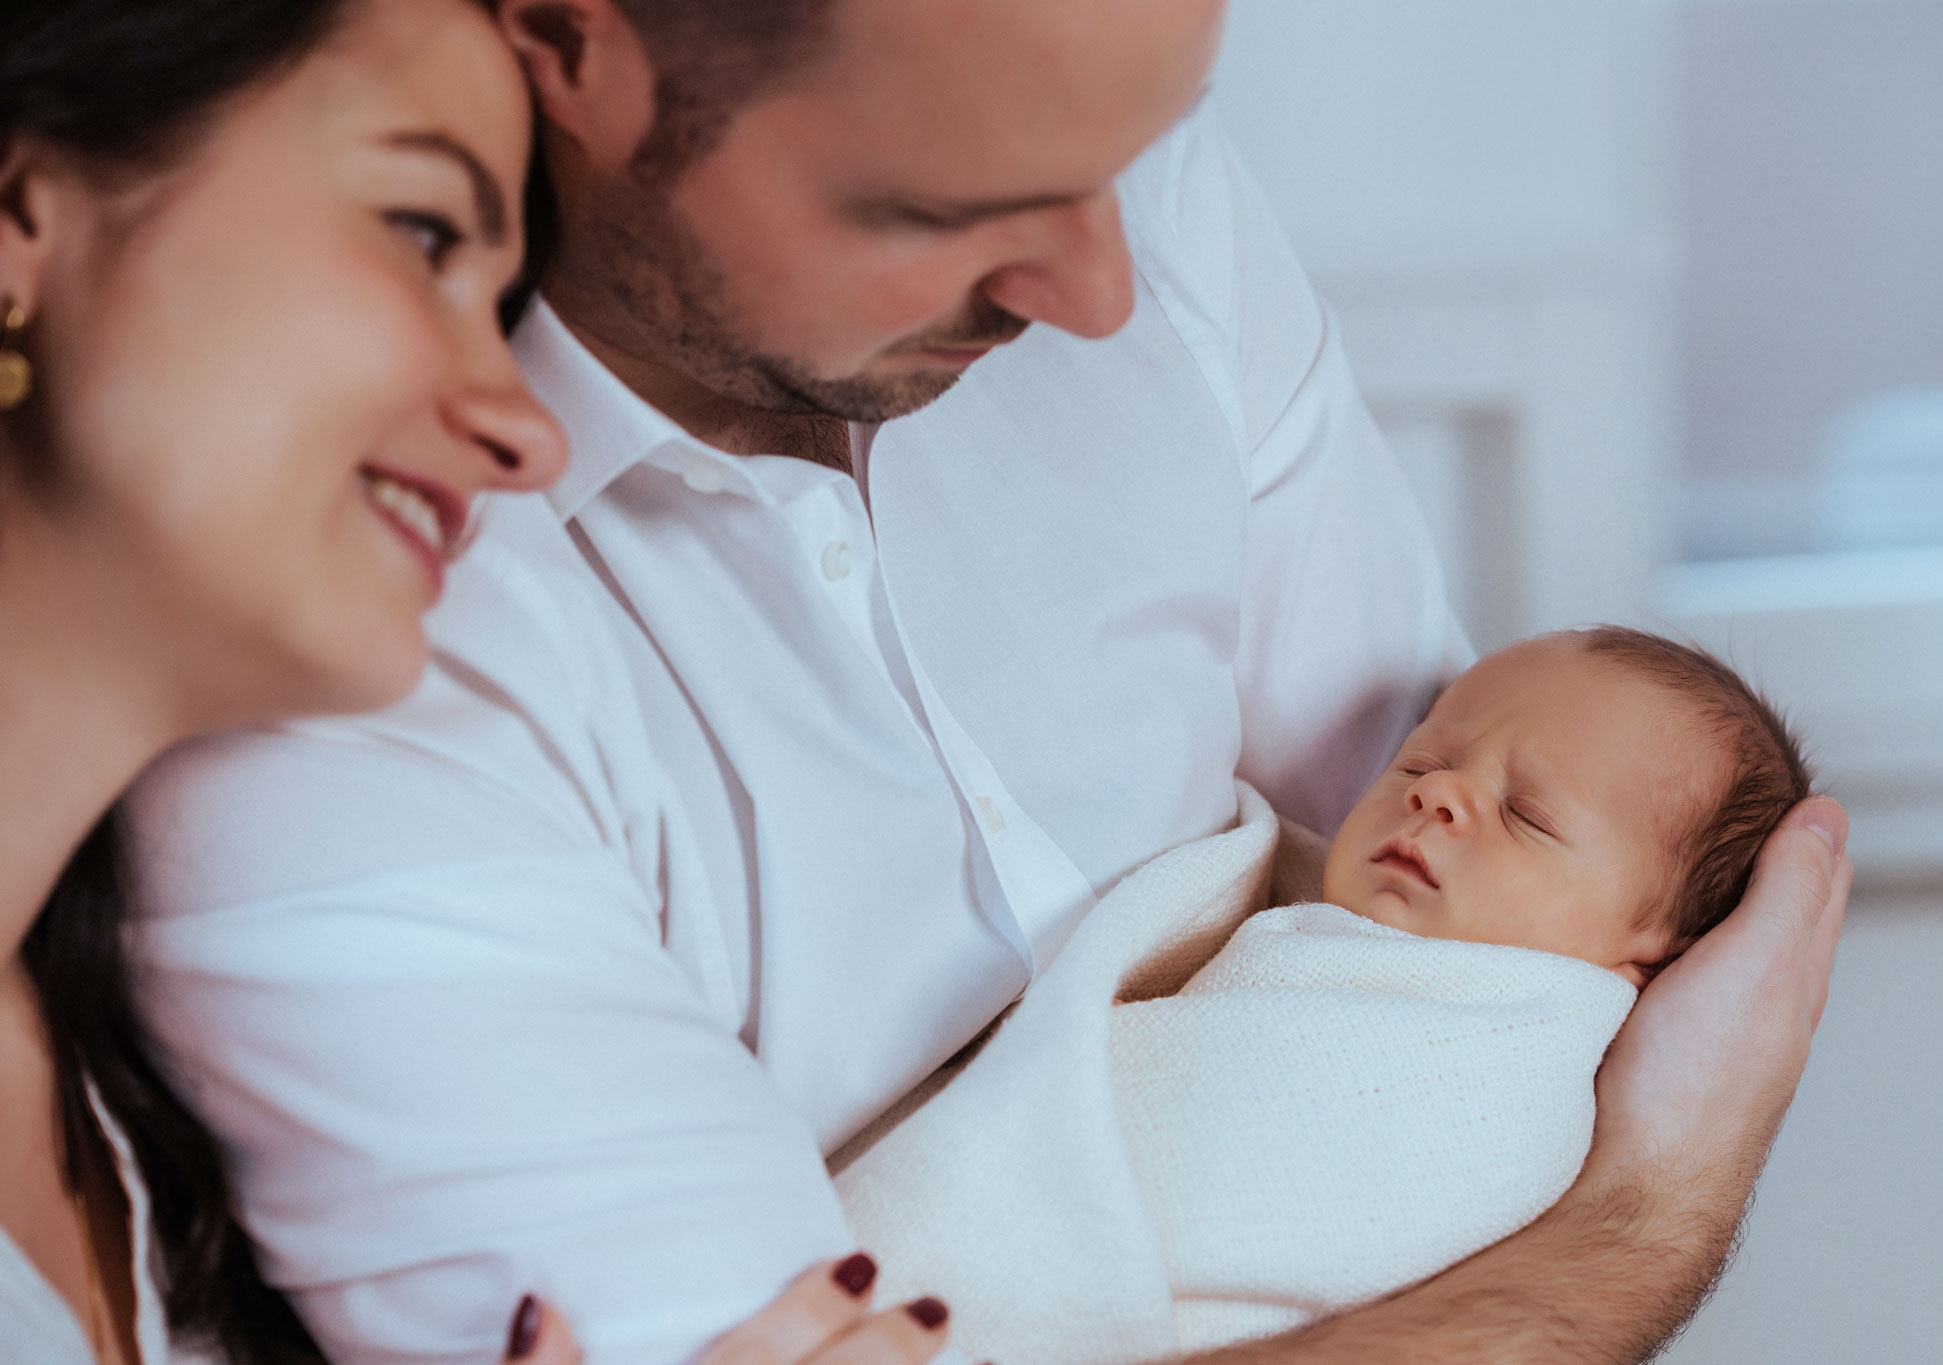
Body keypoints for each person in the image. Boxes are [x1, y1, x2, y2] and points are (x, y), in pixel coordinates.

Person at [125, 1, 1854, 1363]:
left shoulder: (1141, 212)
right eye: (940, 202)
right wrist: (1641, 1216)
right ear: (571, 47)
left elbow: (1482, 893)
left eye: (1139, 146)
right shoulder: (353, 644)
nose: (1099, 292)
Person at [0, 5, 948, 1365]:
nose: (525, 429)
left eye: (498, 306)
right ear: (21, 215)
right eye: (424, 234)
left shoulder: (107, 1099)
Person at [835, 627, 1815, 1365]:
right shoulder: (1277, 914)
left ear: (1648, 955)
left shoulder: (1509, 1065)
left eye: (1524, 816)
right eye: (1422, 763)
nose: (1436, 796)